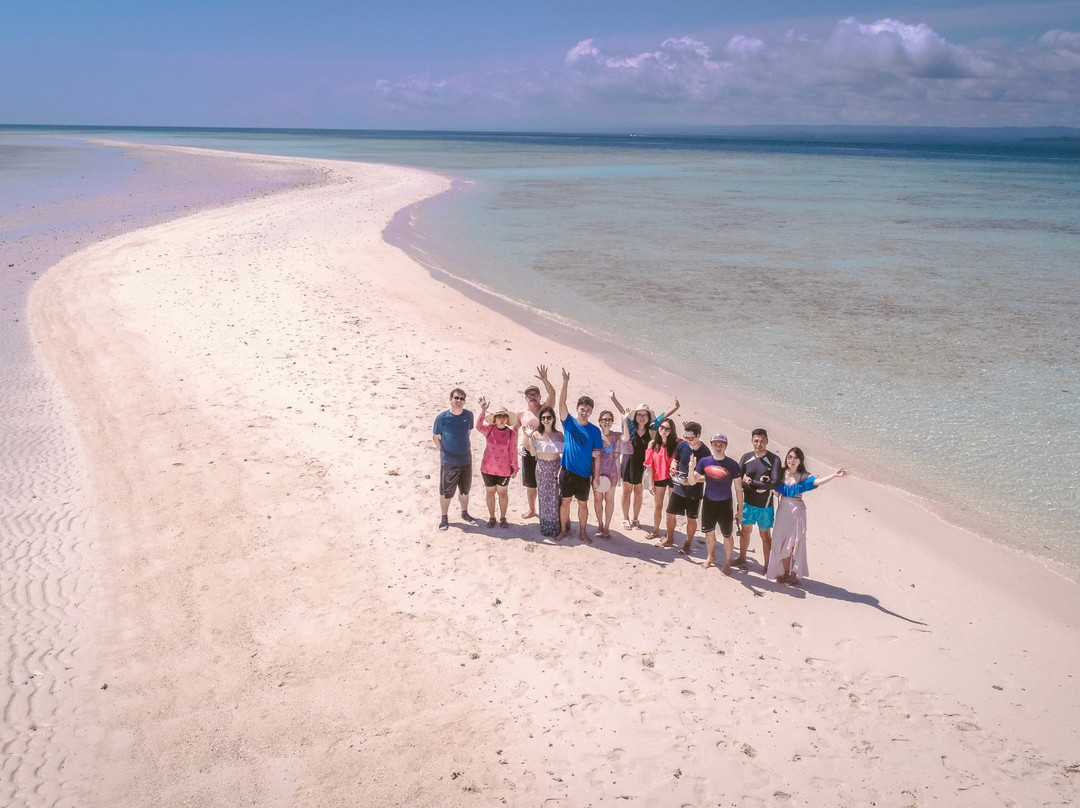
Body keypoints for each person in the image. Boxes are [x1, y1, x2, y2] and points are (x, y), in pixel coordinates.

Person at [766, 448, 849, 584]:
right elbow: (772, 485)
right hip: (783, 510)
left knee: (795, 543)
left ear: (800, 461)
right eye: (789, 457)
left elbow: (817, 482)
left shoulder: (803, 476)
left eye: (795, 458)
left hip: (797, 511)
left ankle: (793, 573)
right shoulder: (780, 473)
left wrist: (834, 475)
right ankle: (782, 571)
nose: (791, 460)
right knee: (779, 541)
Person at [609, 392, 680, 529]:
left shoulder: (652, 429)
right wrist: (613, 398)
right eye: (639, 414)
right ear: (635, 416)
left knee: (638, 491)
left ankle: (635, 518)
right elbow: (623, 412)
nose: (642, 417)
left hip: (643, 464)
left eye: (645, 415)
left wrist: (675, 408)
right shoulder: (630, 426)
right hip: (629, 461)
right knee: (627, 491)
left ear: (648, 418)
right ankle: (625, 518)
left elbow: (663, 417)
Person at [554, 369, 603, 543]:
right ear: (577, 409)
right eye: (582, 409)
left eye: (588, 410)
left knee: (583, 504)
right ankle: (563, 530)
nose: (585, 412)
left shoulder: (595, 431)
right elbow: (561, 403)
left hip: (584, 474)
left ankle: (582, 532)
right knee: (565, 502)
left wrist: (596, 477)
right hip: (567, 471)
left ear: (591, 412)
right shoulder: (569, 422)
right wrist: (565, 383)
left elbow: (598, 455)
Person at [686, 433, 743, 573]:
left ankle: (728, 561)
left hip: (725, 504)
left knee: (727, 535)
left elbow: (738, 489)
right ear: (711, 445)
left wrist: (740, 510)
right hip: (709, 503)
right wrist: (691, 468)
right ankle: (711, 557)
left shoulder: (733, 464)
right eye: (716, 444)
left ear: (726, 446)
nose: (718, 447)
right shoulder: (704, 462)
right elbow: (692, 482)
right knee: (708, 532)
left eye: (721, 444)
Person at [433, 387, 480, 531]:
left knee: (465, 489)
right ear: (451, 399)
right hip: (449, 460)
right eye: (456, 398)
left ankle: (465, 513)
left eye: (462, 399)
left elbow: (468, 432)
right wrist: (444, 451)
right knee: (446, 491)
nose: (459, 401)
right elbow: (436, 437)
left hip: (465, 459)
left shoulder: (469, 415)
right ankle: (444, 518)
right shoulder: (442, 418)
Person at [734, 428, 782, 570]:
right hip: (747, 504)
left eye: (762, 441)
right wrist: (760, 486)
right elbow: (738, 479)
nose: (759, 444)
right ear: (752, 441)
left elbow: (774, 483)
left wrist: (752, 483)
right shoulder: (746, 457)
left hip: (765, 506)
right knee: (744, 532)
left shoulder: (774, 460)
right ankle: (742, 558)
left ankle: (768, 566)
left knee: (765, 537)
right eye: (756, 441)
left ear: (767, 441)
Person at [661, 421, 710, 555]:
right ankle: (669, 539)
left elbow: (708, 476)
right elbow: (676, 460)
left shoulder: (705, 452)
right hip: (679, 486)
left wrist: (693, 480)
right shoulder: (682, 445)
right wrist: (673, 467)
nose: (687, 440)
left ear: (698, 436)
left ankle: (687, 544)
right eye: (685, 436)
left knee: (691, 519)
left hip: (694, 491)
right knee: (670, 513)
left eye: (690, 438)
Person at [517, 366, 556, 519]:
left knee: (546, 483)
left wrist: (545, 380)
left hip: (543, 452)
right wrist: (516, 449)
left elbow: (552, 394)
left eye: (535, 395)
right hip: (527, 452)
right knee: (530, 484)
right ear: (525, 398)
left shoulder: (545, 410)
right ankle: (532, 509)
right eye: (529, 395)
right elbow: (513, 431)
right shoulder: (521, 413)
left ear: (540, 397)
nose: (532, 397)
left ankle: (547, 508)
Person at [476, 398, 519, 528]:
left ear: (507, 419)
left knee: (503, 493)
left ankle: (503, 517)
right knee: (490, 492)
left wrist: (515, 468)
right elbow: (478, 426)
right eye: (499, 416)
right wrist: (483, 411)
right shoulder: (489, 429)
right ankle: (492, 517)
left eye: (504, 416)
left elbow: (513, 451)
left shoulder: (512, 434)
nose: (501, 419)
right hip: (487, 468)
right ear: (495, 419)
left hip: (504, 470)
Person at [522, 406, 563, 537]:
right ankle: (547, 527)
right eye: (543, 418)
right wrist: (529, 438)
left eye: (548, 417)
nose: (546, 420)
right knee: (544, 499)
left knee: (557, 498)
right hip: (542, 468)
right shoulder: (536, 434)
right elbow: (533, 453)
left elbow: (563, 453)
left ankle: (559, 525)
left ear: (553, 419)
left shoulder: (559, 435)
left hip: (556, 468)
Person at [593, 410, 627, 539]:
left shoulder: (616, 436)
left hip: (612, 473)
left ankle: (607, 526)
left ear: (612, 422)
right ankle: (600, 525)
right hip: (596, 471)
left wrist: (624, 420)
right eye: (604, 419)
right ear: (600, 421)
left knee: (609, 500)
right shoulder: (595, 435)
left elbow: (627, 438)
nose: (606, 422)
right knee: (597, 500)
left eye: (609, 420)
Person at [643, 418, 677, 539]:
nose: (664, 430)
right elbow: (649, 465)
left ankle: (669, 534)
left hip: (673, 478)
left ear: (671, 430)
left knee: (672, 509)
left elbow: (690, 444)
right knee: (658, 506)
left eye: (667, 428)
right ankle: (656, 530)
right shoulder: (652, 444)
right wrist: (651, 483)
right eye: (662, 427)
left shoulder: (677, 443)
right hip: (659, 477)